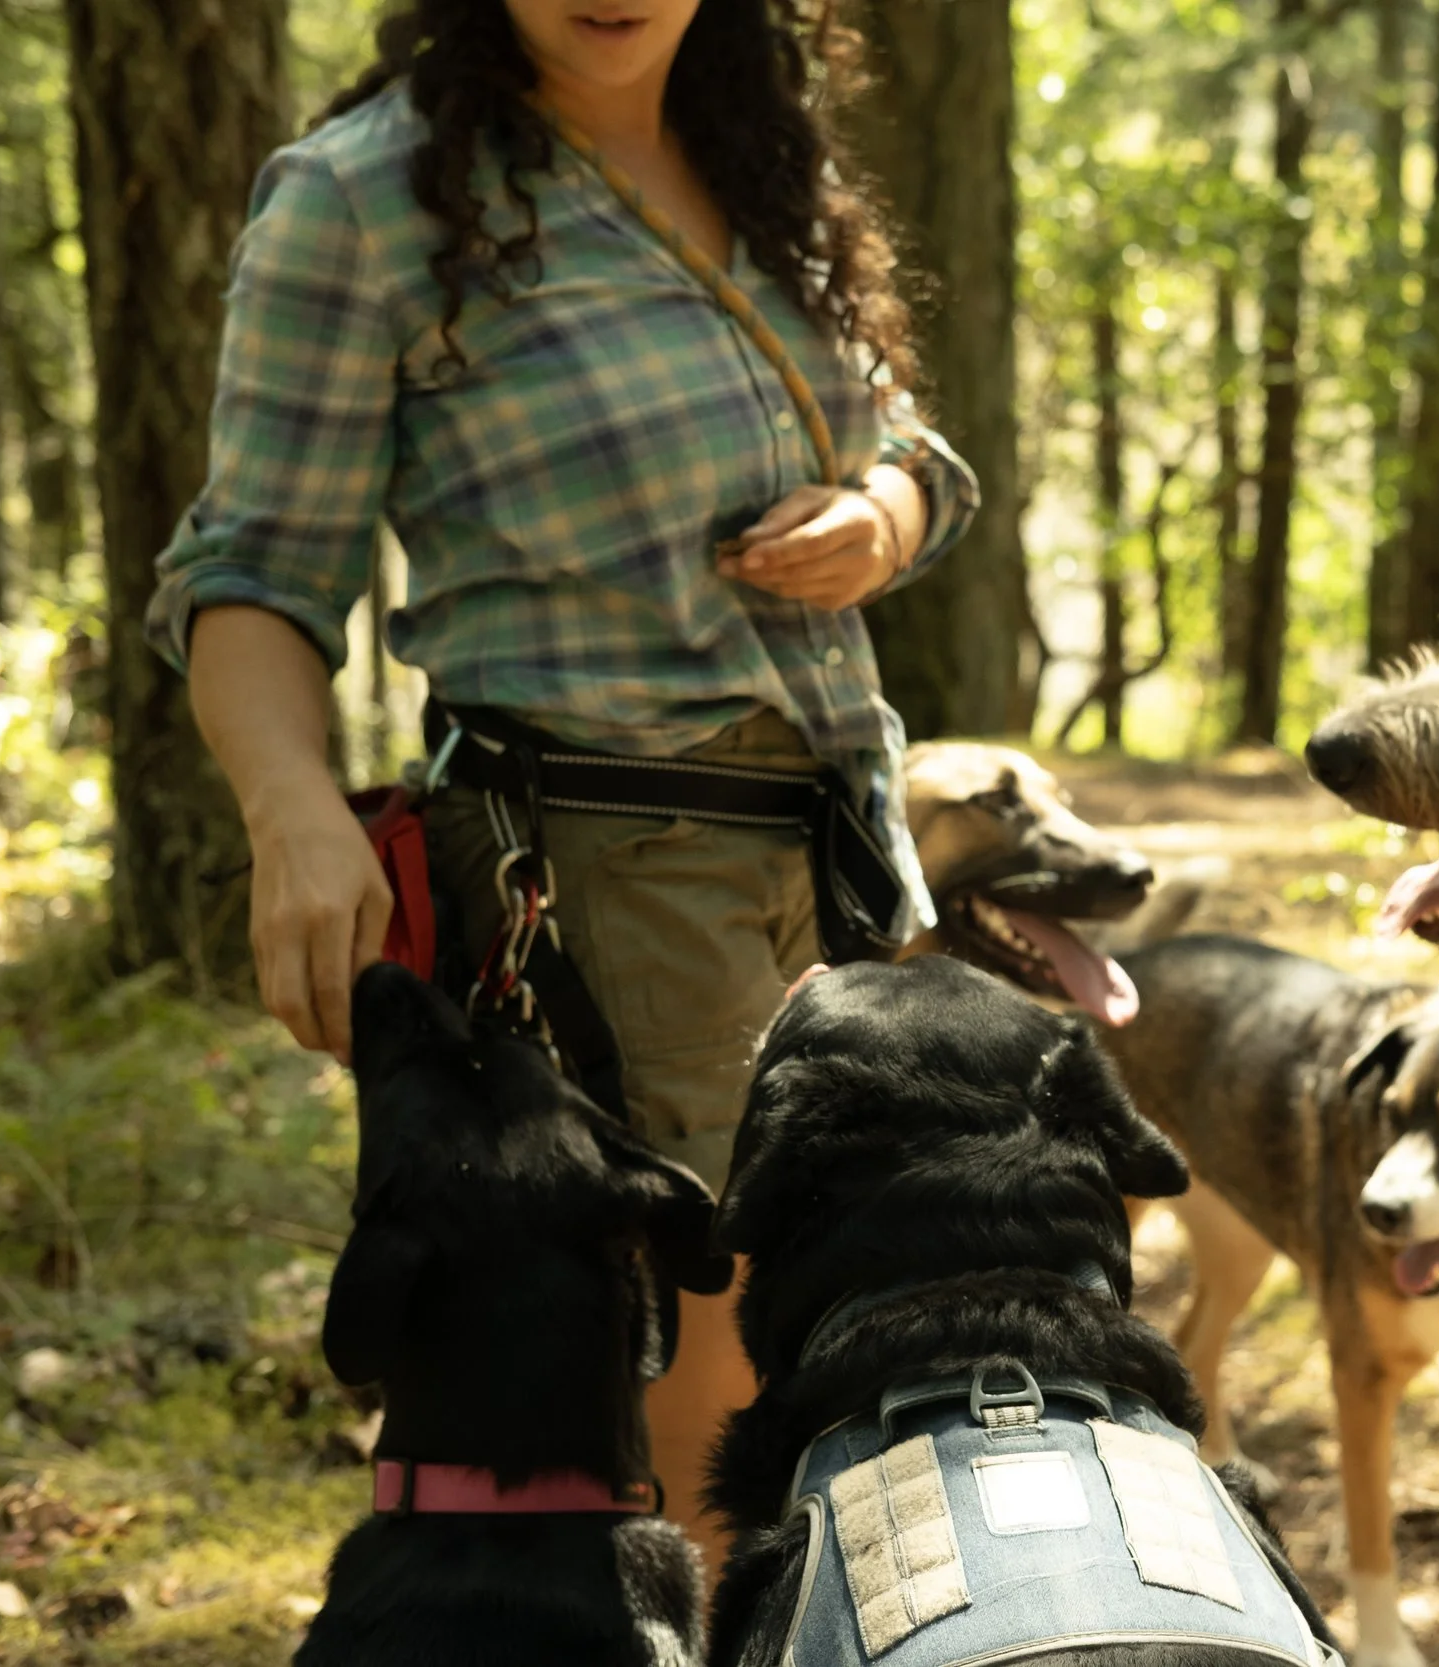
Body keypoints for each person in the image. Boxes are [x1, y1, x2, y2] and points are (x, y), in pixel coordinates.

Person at [148, 0, 978, 1560]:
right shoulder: (360, 199)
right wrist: (293, 812)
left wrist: (885, 514)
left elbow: (915, 448)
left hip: (844, 844)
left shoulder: (761, 160)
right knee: (717, 1362)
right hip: (608, 859)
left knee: (862, 1314)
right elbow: (251, 572)